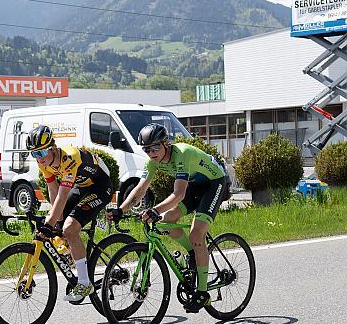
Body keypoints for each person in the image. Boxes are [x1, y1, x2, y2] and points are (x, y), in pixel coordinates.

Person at [108, 123, 229, 313]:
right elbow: (140, 189)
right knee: (165, 221)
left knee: (197, 235)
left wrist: (154, 209)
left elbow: (178, 194)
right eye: (147, 149)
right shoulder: (152, 162)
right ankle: (192, 254)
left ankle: (203, 292)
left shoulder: (182, 154)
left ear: (166, 143)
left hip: (214, 184)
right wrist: (120, 210)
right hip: (193, 187)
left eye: (155, 147)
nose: (152, 152)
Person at [26, 124, 113, 302]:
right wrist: (54, 221)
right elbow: (53, 189)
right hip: (81, 187)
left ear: (53, 148)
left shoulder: (69, 157)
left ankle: (84, 282)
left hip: (100, 187)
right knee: (59, 225)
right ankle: (74, 253)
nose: (38, 158)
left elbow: (63, 194)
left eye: (41, 152)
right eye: (34, 153)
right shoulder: (43, 162)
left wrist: (49, 223)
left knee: (70, 228)